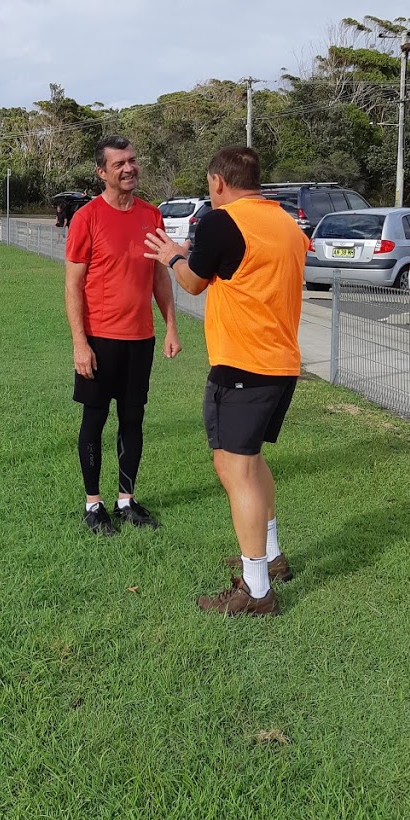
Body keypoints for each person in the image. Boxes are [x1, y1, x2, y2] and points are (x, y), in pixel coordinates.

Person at [144, 146, 307, 616]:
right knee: (248, 464)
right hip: (280, 364)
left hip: (242, 366)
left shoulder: (221, 221)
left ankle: (256, 591)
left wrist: (173, 256)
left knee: (234, 471)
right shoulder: (287, 225)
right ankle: (270, 557)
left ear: (218, 182)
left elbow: (195, 282)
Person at [65, 136, 182, 535]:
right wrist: (80, 343)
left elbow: (159, 276)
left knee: (133, 419)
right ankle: (94, 504)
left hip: (140, 339)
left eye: (133, 160)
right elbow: (73, 285)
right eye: (119, 164)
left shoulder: (152, 216)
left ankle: (126, 500)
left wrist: (170, 326)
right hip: (100, 339)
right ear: (102, 172)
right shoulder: (87, 218)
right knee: (94, 421)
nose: (130, 168)